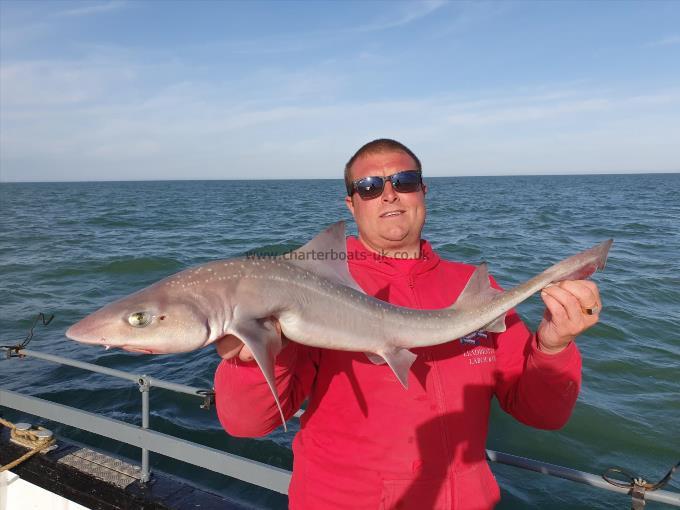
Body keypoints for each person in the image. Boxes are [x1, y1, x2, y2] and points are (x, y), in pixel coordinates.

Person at [213, 139, 602, 510]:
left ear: (423, 191)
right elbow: (248, 423)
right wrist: (251, 361)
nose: (388, 194)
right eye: (368, 187)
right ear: (350, 204)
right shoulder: (308, 290)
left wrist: (552, 346)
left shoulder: (474, 289)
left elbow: (542, 415)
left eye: (404, 181)